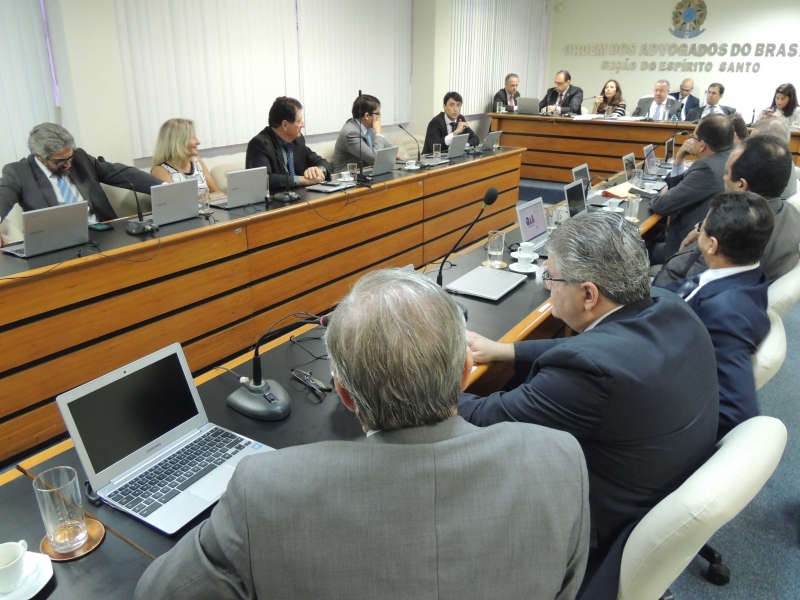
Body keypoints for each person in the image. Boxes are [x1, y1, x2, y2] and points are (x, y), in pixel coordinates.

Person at [135, 268, 591, 600]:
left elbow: (157, 593)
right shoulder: (559, 458)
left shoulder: (265, 490)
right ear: (466, 371)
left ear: (344, 395)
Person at [458, 212, 718, 599]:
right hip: (659, 476)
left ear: (589, 294)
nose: (547, 286)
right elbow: (587, 347)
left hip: (603, 520)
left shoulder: (589, 374)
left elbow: (486, 418)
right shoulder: (667, 305)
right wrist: (504, 350)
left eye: (552, 278)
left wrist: (418, 381)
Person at [663, 192, 773, 441]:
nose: (698, 232)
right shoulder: (746, 272)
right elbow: (690, 287)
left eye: (701, 228)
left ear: (712, 245)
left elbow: (736, 412)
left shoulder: (725, 313)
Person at [654, 134, 800, 286]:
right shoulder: (792, 214)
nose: (724, 178)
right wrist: (703, 227)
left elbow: (686, 286)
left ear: (741, 186)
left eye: (727, 173)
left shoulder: (734, 237)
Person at [0, 122, 162, 224]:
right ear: (40, 157)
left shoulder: (81, 158)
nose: (69, 163)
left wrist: (164, 186)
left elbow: (119, 172)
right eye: (60, 161)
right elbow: (3, 196)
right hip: (57, 246)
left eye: (70, 157)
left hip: (102, 233)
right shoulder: (19, 172)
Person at [649, 114, 734, 261]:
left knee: (637, 249)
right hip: (704, 241)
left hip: (686, 250)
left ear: (702, 145)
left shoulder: (706, 168)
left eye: (693, 137)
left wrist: (661, 194)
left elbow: (662, 205)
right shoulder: (728, 157)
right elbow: (681, 188)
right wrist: (679, 158)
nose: (690, 140)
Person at [245, 96, 331, 190]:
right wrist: (303, 180)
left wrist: (319, 171)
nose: (303, 124)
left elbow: (323, 162)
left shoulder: (298, 140)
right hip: (276, 201)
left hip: (300, 197)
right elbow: (264, 179)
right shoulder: (260, 144)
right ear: (285, 125)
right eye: (299, 121)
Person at [151, 118, 219, 198]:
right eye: (193, 137)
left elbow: (217, 194)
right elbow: (174, 203)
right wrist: (205, 199)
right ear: (178, 141)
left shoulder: (197, 161)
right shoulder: (160, 170)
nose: (198, 142)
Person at [332, 94, 394, 173]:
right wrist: (378, 133)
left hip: (366, 172)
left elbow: (384, 145)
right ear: (367, 116)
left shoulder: (367, 127)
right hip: (348, 179)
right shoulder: (351, 134)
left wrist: (393, 154)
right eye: (378, 114)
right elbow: (375, 158)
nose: (379, 117)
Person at [751, 116, 798, 200]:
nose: (748, 145)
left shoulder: (768, 166)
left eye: (752, 141)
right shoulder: (784, 158)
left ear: (767, 145)